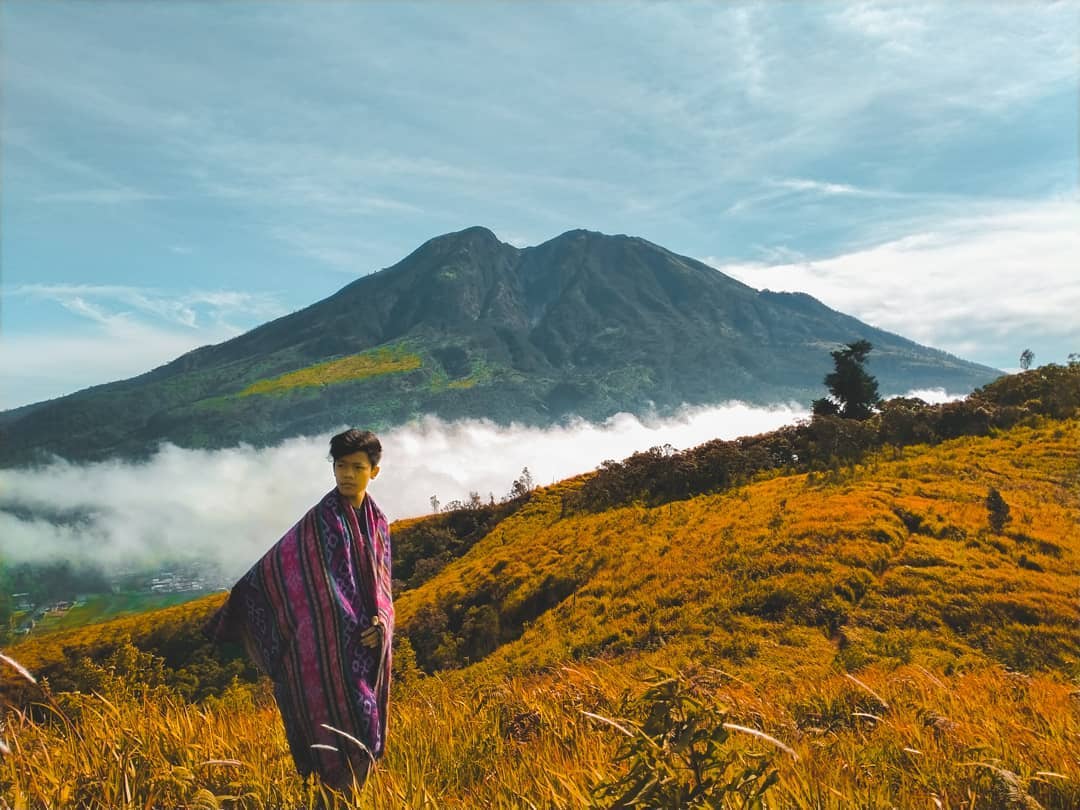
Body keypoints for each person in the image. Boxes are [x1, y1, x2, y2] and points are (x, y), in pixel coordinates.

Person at [205, 428, 395, 790]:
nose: (347, 474)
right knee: (337, 736)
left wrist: (381, 621)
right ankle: (335, 798)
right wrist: (239, 607)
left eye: (357, 467)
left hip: (366, 648)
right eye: (340, 465)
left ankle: (350, 797)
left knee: (367, 731)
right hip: (323, 651)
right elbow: (275, 569)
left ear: (374, 471)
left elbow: (383, 587)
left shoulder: (378, 522)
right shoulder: (319, 522)